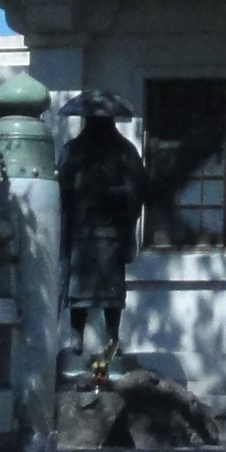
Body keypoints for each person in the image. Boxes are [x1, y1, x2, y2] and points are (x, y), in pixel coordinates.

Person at [57, 89, 148, 371]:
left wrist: (112, 193)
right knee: (78, 289)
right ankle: (76, 338)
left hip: (112, 230)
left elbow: (138, 189)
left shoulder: (124, 152)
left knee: (111, 289)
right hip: (81, 229)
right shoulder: (73, 150)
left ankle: (112, 338)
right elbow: (61, 184)